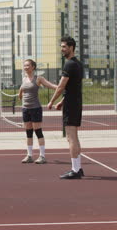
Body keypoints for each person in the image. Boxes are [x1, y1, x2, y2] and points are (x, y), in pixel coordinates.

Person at [47, 36, 84, 179]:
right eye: (61, 47)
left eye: (64, 47)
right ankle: (78, 168)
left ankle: (75, 170)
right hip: (74, 102)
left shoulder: (69, 64)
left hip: (72, 105)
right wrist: (62, 101)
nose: (62, 49)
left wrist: (51, 101)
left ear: (71, 47)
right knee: (73, 136)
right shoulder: (78, 64)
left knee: (71, 137)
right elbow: (73, 88)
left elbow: (62, 86)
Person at [19, 59, 57, 164]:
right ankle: (29, 155)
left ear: (33, 67)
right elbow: (22, 89)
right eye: (24, 65)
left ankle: (42, 156)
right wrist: (20, 95)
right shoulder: (24, 79)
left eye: (27, 65)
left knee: (38, 132)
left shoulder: (38, 79)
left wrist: (60, 87)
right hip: (25, 109)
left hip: (35, 108)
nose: (25, 67)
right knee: (28, 133)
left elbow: (50, 85)